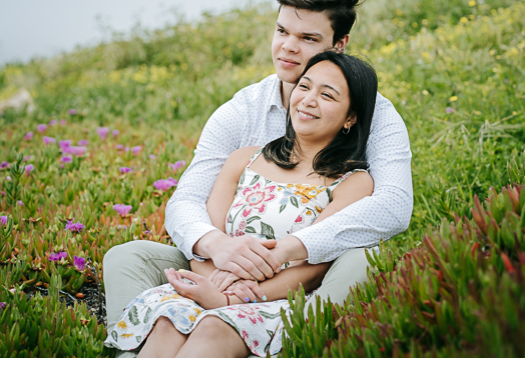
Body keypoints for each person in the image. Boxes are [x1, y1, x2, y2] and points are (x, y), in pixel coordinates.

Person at [103, 0, 412, 352]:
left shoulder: (374, 113)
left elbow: (394, 206)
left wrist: (289, 250)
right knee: (128, 256)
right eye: (282, 30)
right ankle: (135, 346)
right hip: (219, 263)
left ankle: (300, 342)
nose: (288, 47)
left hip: (305, 273)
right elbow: (187, 201)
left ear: (340, 44)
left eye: (309, 39)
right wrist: (217, 249)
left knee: (364, 257)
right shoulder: (241, 113)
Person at [106, 51, 378, 358]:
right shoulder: (245, 159)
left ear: (351, 117)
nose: (309, 100)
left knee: (214, 328)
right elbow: (208, 234)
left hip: (278, 298)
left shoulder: (352, 182)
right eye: (304, 86)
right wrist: (210, 288)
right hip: (210, 282)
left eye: (327, 95)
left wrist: (231, 300)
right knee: (168, 323)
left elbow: (316, 265)